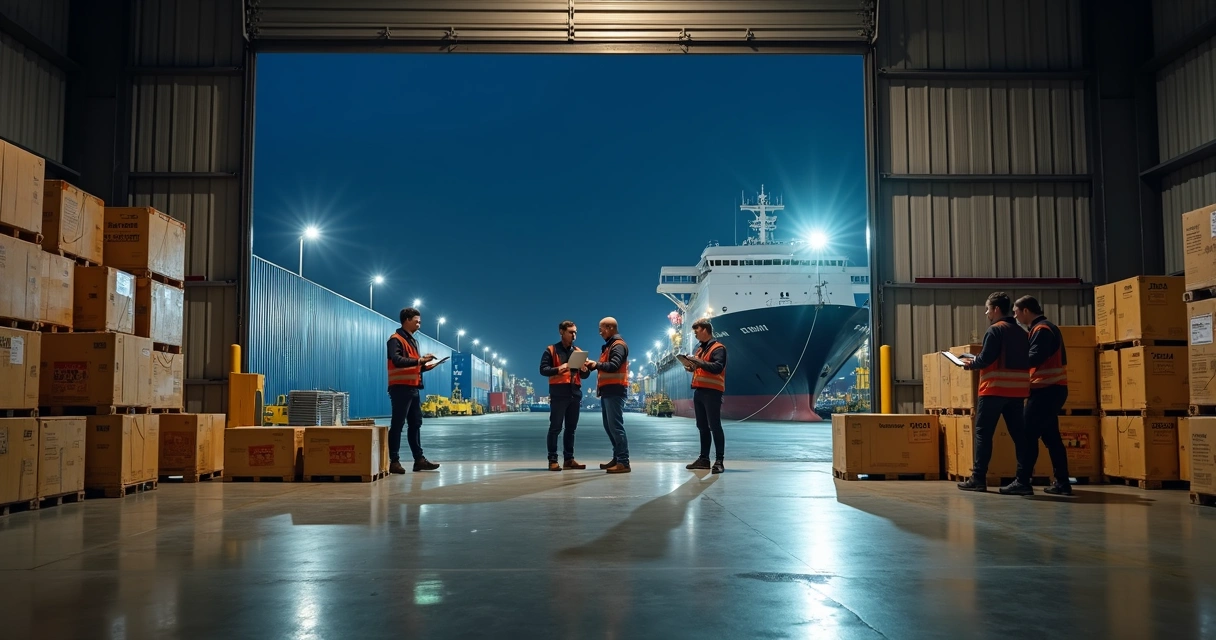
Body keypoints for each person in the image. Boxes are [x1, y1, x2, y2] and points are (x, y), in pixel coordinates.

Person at [957, 292, 1031, 494]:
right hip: (1016, 392)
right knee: (1020, 437)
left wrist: (970, 364)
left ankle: (978, 478)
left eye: (988, 308)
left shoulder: (995, 331)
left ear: (996, 309)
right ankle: (1023, 481)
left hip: (993, 390)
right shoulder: (1023, 333)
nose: (986, 312)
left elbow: (986, 359)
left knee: (983, 433)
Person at [1014, 295, 1073, 496]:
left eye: (1016, 312)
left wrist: (1011, 361)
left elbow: (1035, 357)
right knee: (1051, 437)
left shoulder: (1042, 330)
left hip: (1045, 391)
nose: (1015, 316)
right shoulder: (1044, 329)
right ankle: (1063, 483)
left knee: (1027, 435)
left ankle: (1023, 481)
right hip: (1051, 390)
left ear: (1026, 311)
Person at [386, 307, 443, 473]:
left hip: (413, 388)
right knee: (397, 424)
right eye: (416, 320)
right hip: (400, 389)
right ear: (406, 320)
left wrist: (424, 367)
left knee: (416, 423)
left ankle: (419, 460)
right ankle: (394, 461)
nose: (419, 323)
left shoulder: (412, 341)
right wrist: (419, 361)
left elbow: (412, 364)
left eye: (420, 321)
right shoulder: (395, 339)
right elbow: (396, 360)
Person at [539, 320, 591, 471]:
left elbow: (585, 375)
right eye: (571, 332)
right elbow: (543, 370)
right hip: (559, 393)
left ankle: (569, 459)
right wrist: (558, 369)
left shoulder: (578, 351)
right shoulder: (551, 350)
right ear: (561, 332)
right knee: (555, 427)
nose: (574, 335)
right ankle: (553, 460)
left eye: (575, 332)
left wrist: (584, 369)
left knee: (571, 428)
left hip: (575, 393)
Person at [584, 317, 630, 474]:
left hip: (615, 391)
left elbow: (614, 365)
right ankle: (617, 458)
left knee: (616, 426)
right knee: (609, 426)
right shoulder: (610, 346)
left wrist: (596, 364)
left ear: (610, 328)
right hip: (608, 392)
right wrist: (592, 366)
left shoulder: (618, 346)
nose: (599, 332)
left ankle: (624, 461)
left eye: (601, 328)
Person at [683, 318, 727, 474]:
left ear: (705, 330)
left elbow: (717, 367)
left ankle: (719, 461)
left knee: (715, 426)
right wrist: (691, 366)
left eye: (696, 331)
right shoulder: (700, 350)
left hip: (712, 392)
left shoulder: (718, 348)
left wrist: (698, 362)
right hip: (700, 391)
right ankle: (704, 459)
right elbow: (701, 367)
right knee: (702, 426)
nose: (694, 334)